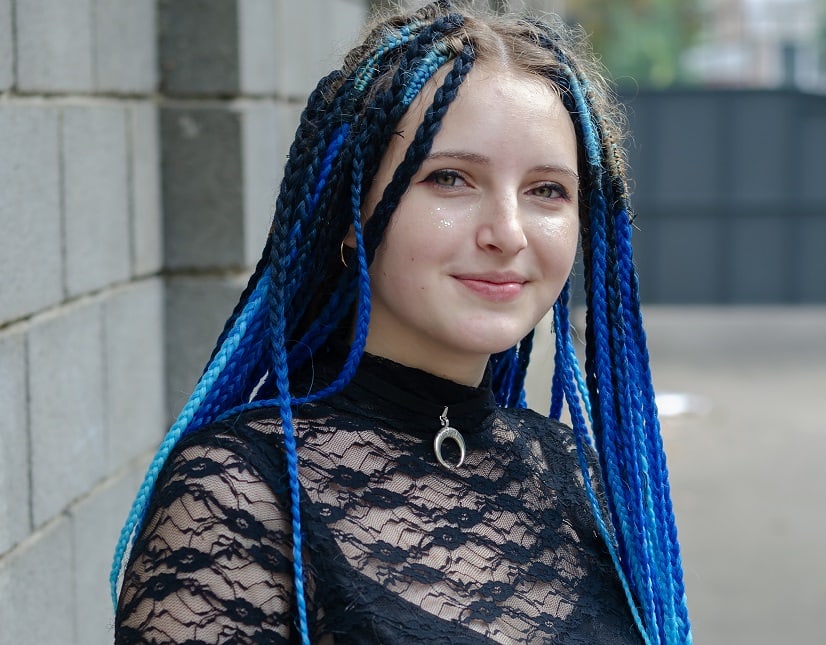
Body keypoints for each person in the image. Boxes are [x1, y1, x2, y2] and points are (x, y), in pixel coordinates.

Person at [110, 1, 692, 643]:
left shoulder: (583, 479)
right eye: (450, 178)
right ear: (352, 218)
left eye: (547, 190)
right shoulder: (239, 492)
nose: (508, 232)